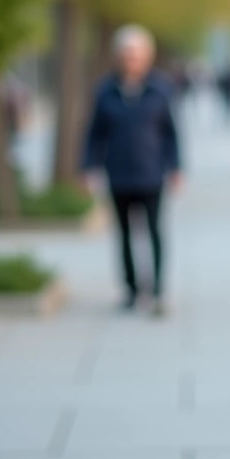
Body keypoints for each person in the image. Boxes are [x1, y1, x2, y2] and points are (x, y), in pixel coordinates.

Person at [83, 25, 181, 316]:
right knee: (124, 234)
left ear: (147, 56)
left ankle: (158, 289)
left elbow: (171, 133)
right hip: (119, 173)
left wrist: (176, 167)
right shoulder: (105, 91)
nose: (131, 59)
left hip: (151, 173)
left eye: (136, 54)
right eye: (126, 53)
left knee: (154, 232)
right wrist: (88, 166)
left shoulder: (161, 89)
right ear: (117, 56)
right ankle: (131, 289)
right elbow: (94, 133)